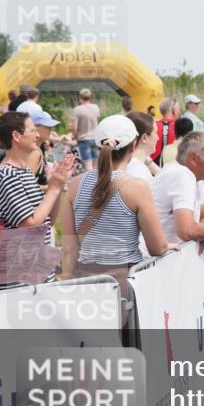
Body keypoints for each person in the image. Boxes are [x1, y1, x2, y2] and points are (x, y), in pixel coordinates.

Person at [57, 115, 178, 303]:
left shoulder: (75, 185)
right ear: (133, 146)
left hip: (86, 282)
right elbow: (156, 247)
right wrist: (167, 246)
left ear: (98, 147)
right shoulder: (137, 187)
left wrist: (67, 279)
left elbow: (69, 248)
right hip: (124, 283)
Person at [0, 112, 75, 252]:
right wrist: (53, 190)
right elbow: (30, 224)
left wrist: (58, 185)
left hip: (37, 265)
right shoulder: (7, 175)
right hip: (19, 267)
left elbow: (48, 221)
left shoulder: (25, 172)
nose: (37, 135)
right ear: (16, 136)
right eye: (33, 130)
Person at [149, 132, 204, 249]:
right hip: (154, 262)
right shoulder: (181, 174)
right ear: (193, 159)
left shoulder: (193, 175)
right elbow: (187, 231)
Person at [72, 88, 102, 171]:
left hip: (83, 139)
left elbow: (74, 127)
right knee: (95, 165)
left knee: (88, 165)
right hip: (95, 138)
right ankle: (97, 182)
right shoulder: (96, 107)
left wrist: (75, 137)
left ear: (80, 97)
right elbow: (97, 121)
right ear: (90, 97)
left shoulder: (77, 110)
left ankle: (90, 183)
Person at [126, 111, 161, 179]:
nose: (158, 138)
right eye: (156, 133)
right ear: (144, 138)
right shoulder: (137, 171)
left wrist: (147, 160)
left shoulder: (133, 164)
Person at [151, 98, 180, 166]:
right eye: (178, 109)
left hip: (153, 167)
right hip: (173, 167)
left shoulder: (153, 125)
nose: (179, 111)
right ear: (174, 110)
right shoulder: (179, 126)